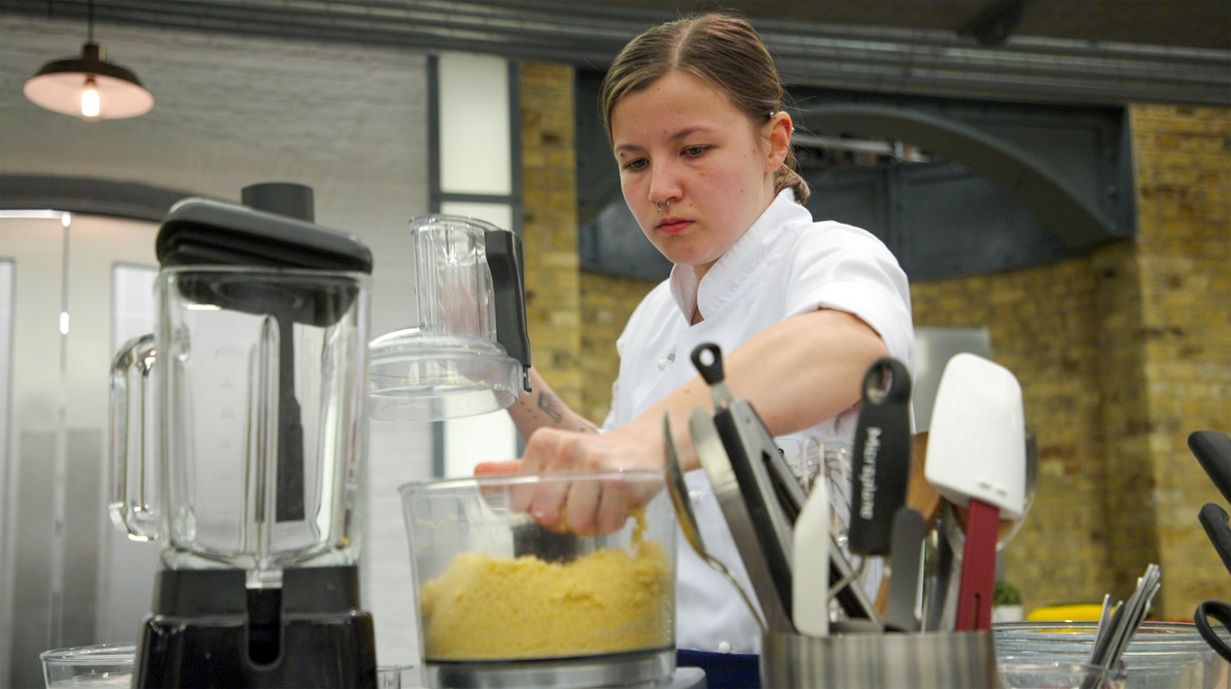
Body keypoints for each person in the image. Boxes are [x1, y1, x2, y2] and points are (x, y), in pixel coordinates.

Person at [499, 11, 914, 687]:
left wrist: (634, 444)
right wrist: (506, 376)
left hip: (810, 669)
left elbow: (847, 349)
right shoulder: (652, 316)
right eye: (633, 161)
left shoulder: (830, 255)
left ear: (773, 140)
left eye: (692, 150)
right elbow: (624, 465)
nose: (659, 187)